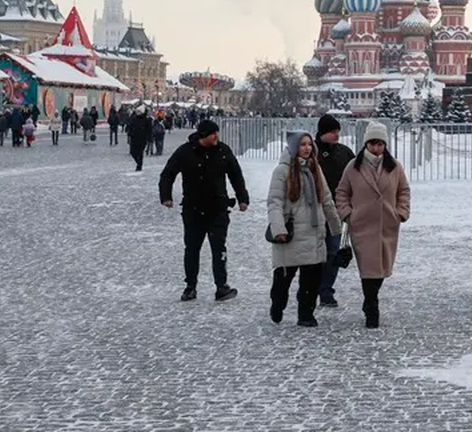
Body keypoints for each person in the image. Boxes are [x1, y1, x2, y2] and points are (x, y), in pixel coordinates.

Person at [158, 119, 250, 302]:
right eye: (212, 133)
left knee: (219, 248)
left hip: (218, 209)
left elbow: (236, 175)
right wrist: (166, 196)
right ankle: (190, 286)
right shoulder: (185, 152)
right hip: (193, 210)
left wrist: (243, 198)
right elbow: (168, 173)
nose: (216, 136)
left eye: (217, 132)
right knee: (192, 249)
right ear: (202, 135)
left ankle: (221, 286)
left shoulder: (223, 151)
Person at [336, 122, 411, 328]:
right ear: (365, 144)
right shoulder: (353, 166)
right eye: (372, 144)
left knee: (382, 270)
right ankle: (372, 307)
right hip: (362, 226)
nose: (376, 148)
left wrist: (401, 212)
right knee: (368, 271)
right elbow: (342, 192)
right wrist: (348, 214)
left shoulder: (394, 166)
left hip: (387, 225)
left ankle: (370, 300)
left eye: (380, 144)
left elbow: (403, 191)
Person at [267, 131, 341, 327]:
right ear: (294, 148)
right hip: (290, 233)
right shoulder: (282, 171)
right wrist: (278, 228)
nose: (307, 148)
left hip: (314, 231)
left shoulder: (315, 169)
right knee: (284, 278)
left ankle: (306, 314)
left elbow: (326, 199)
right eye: (302, 144)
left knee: (312, 279)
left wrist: (335, 226)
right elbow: (274, 202)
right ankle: (277, 303)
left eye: (309, 144)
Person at [314, 114, 355, 308]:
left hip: (337, 211)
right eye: (332, 132)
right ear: (323, 132)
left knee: (332, 251)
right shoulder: (310, 151)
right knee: (314, 253)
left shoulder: (344, 152)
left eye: (338, 131)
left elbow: (357, 175)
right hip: (314, 211)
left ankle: (326, 290)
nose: (336, 135)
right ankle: (310, 288)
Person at [128, 105, 152, 171]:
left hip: (142, 138)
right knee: (133, 152)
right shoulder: (133, 118)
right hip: (134, 137)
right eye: (137, 111)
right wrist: (129, 134)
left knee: (140, 152)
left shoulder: (147, 120)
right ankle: (138, 163)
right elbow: (130, 126)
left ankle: (139, 165)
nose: (138, 113)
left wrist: (149, 138)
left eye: (139, 111)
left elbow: (149, 130)